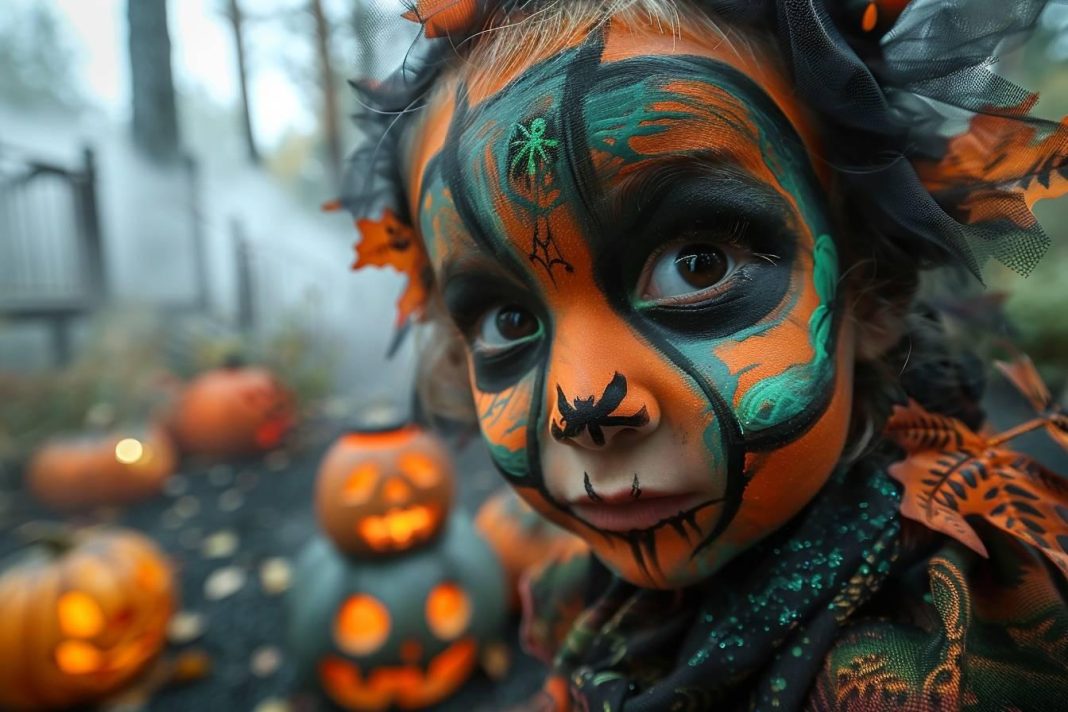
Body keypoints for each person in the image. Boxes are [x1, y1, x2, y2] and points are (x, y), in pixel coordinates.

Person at [340, 0, 1068, 709]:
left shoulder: (950, 663)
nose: (581, 406)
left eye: (697, 264)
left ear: (871, 290)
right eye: (506, 318)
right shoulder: (590, 596)